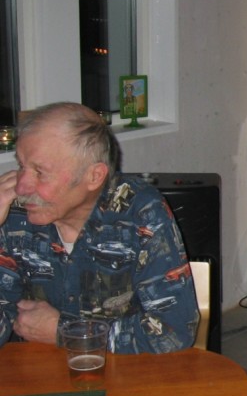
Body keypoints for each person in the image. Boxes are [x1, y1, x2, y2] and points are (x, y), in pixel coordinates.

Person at [0, 102, 199, 353]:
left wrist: (67, 331)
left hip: (122, 370)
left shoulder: (139, 212)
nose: (21, 187)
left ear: (94, 176)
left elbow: (175, 331)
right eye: (21, 166)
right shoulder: (11, 211)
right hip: (34, 370)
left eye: (40, 173)